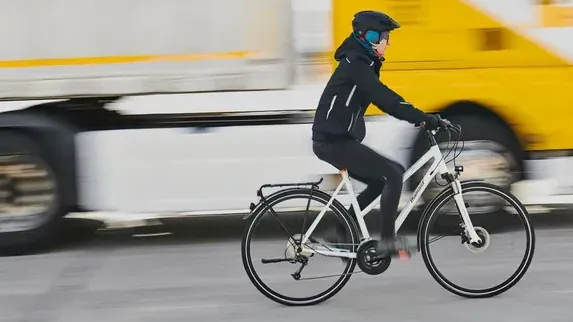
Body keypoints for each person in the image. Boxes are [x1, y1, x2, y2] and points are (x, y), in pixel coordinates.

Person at [311, 10, 446, 259]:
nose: (388, 42)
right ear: (370, 37)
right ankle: (387, 242)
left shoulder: (362, 62)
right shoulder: (356, 64)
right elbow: (385, 98)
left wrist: (418, 118)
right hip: (332, 141)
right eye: (385, 37)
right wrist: (422, 117)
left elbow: (383, 100)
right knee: (393, 173)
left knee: (380, 181)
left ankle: (341, 232)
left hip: (337, 139)